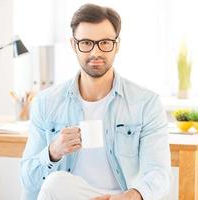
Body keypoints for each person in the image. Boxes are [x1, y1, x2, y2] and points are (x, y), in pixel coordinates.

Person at [21, 3, 170, 200]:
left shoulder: (146, 103)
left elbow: (159, 174)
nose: (95, 52)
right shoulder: (46, 102)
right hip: (69, 195)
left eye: (105, 42)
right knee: (56, 182)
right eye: (86, 43)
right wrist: (53, 151)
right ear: (74, 45)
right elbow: (28, 180)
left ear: (117, 45)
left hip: (120, 198)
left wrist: (132, 196)